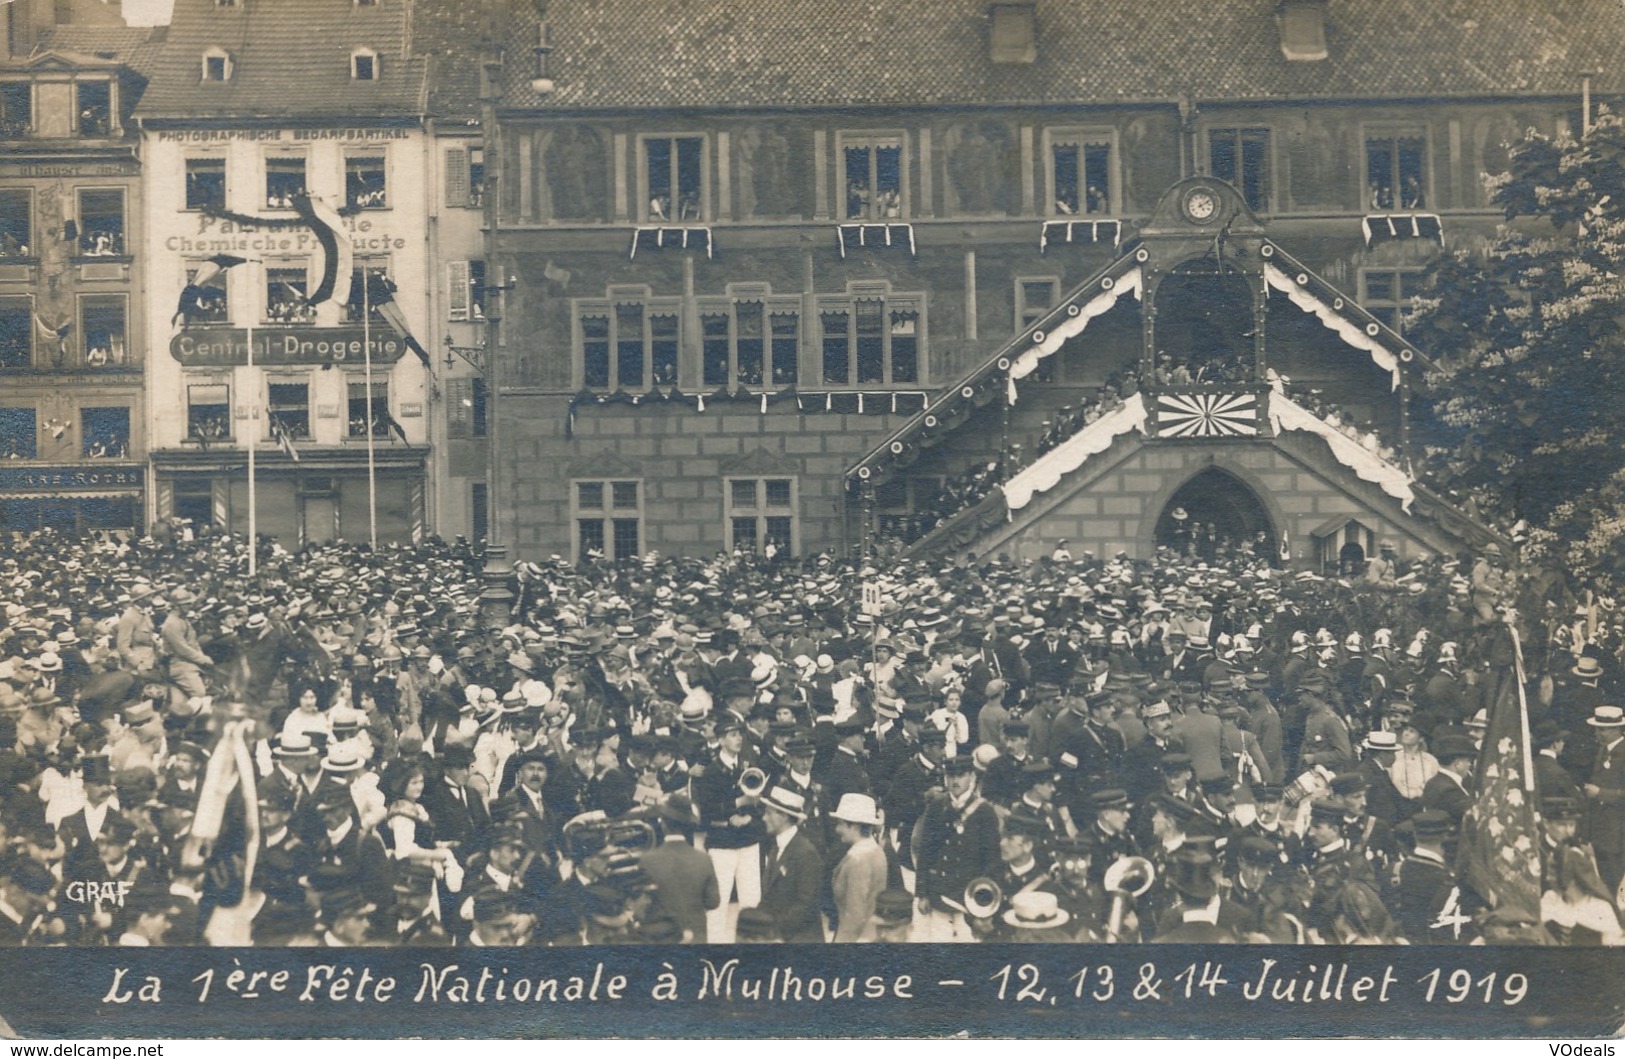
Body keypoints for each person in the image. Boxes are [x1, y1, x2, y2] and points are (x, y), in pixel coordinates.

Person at [637, 794, 720, 943]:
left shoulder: (647, 860)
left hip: (660, 940)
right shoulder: (704, 859)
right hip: (696, 938)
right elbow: (713, 902)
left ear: (663, 824)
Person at [756, 785, 825, 942]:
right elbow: (768, 897)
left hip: (800, 941)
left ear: (783, 816)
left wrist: (773, 931)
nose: (763, 818)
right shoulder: (776, 848)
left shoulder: (806, 853)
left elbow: (805, 906)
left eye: (768, 813)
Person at [829, 792, 888, 942]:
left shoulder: (858, 860)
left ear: (854, 826)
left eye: (840, 824)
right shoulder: (876, 851)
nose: (837, 829)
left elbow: (854, 917)